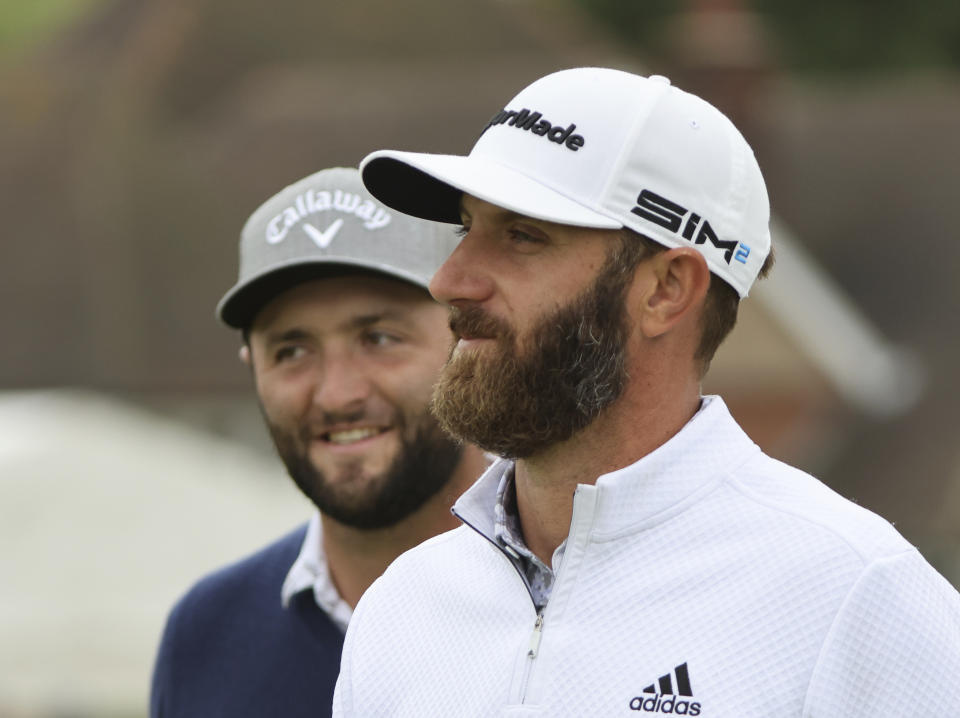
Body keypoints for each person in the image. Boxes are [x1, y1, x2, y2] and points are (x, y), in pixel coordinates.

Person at [334, 69, 960, 716]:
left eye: (522, 235)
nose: (448, 279)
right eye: (468, 229)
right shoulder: (403, 607)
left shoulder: (854, 592)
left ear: (666, 290)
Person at [149, 167, 488, 717]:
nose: (337, 394)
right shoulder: (206, 634)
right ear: (251, 367)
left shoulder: (566, 602)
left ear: (469, 339)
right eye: (291, 351)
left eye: (379, 338)